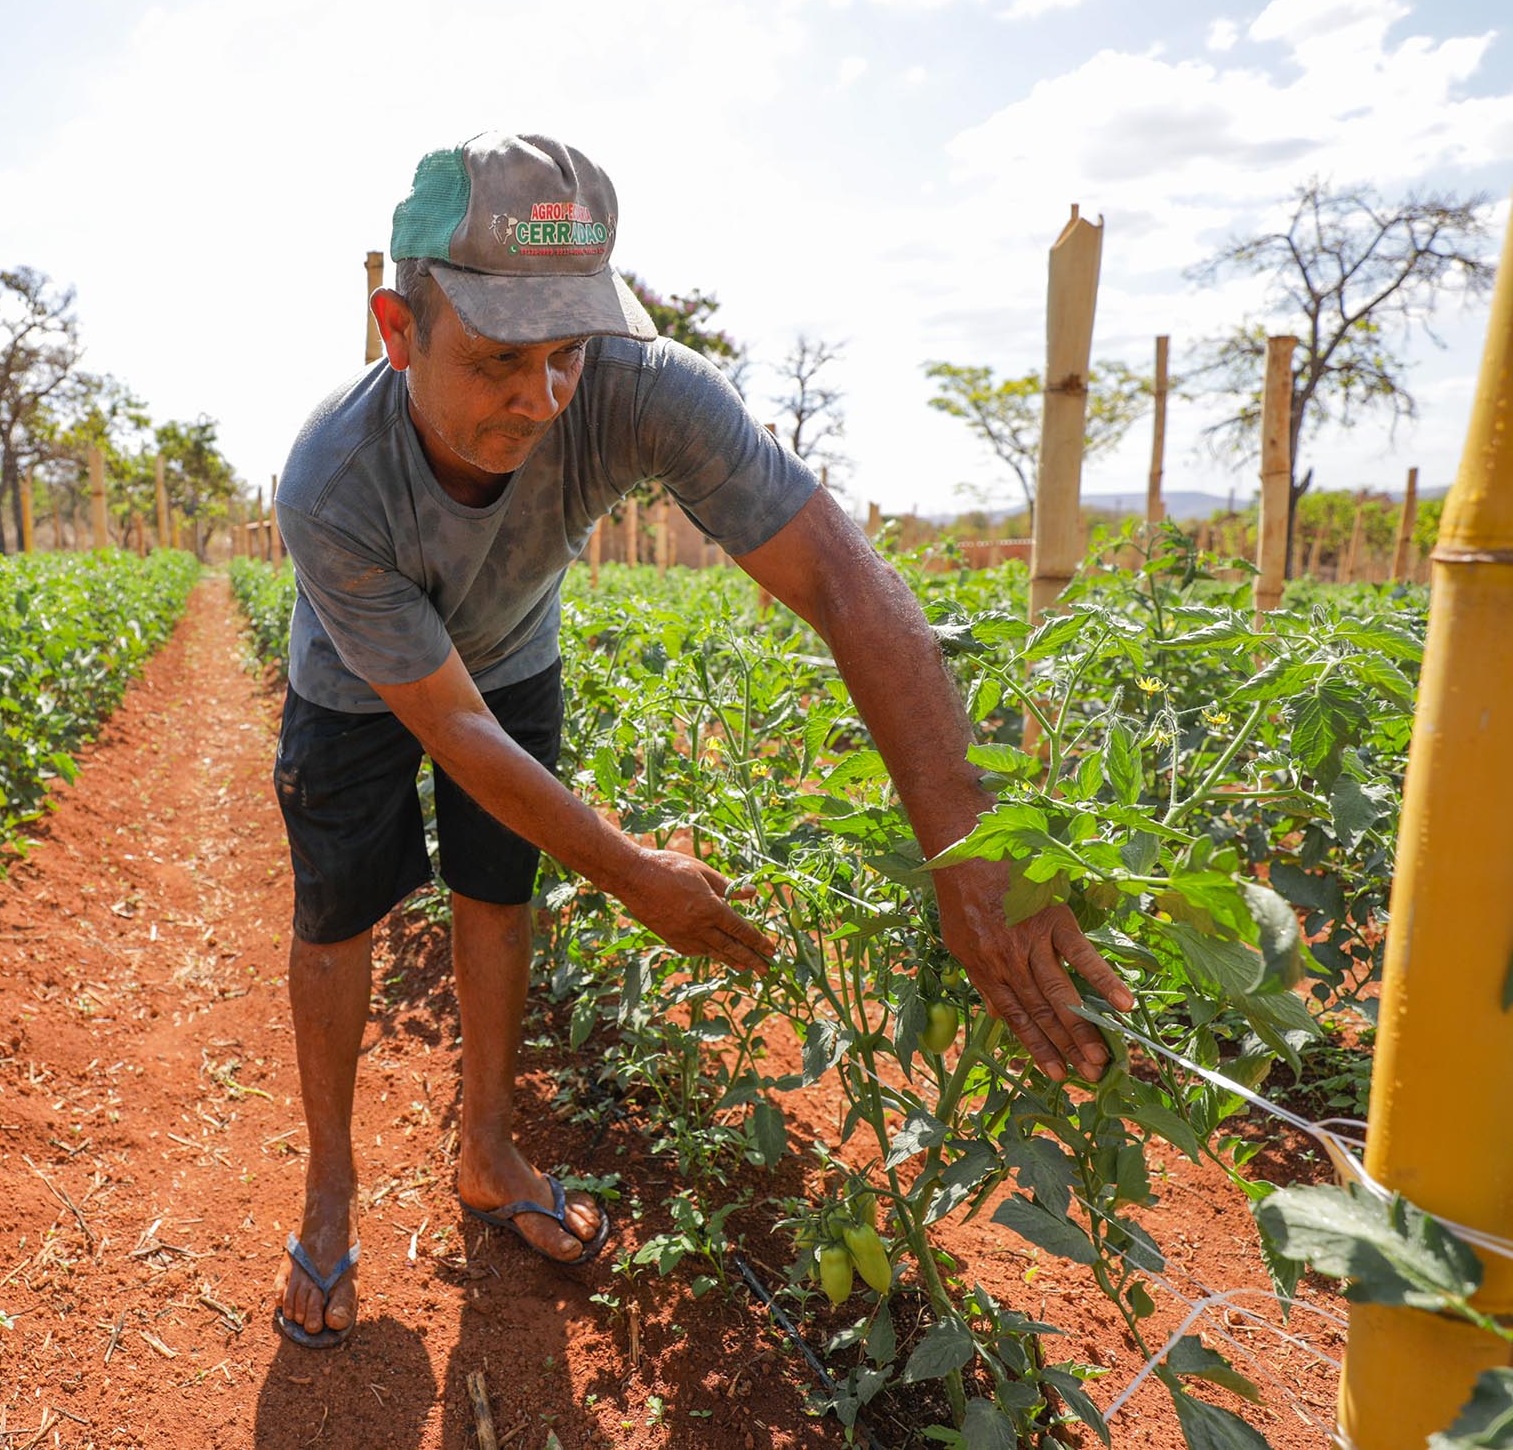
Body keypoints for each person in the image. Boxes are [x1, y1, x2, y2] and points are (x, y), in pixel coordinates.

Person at [266, 131, 1135, 1347]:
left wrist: (971, 841)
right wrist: (633, 875)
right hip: (362, 689)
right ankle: (327, 1191)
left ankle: (487, 1152)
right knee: (336, 917)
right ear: (397, 328)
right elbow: (447, 721)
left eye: (567, 351)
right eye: (498, 357)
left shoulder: (641, 385)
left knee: (494, 891)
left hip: (510, 652)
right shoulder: (327, 477)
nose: (541, 395)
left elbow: (838, 573)